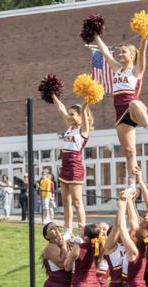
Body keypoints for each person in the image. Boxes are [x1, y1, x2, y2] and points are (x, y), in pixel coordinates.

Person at [94, 32, 148, 194]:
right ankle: (132, 184)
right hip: (120, 113)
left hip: (134, 109)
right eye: (120, 51)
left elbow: (143, 51)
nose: (120, 54)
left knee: (134, 102)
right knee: (130, 152)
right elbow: (105, 53)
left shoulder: (137, 70)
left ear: (132, 55)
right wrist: (95, 35)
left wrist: (145, 36)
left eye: (124, 52)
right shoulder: (117, 68)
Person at [52, 96, 93, 239]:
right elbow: (60, 108)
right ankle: (68, 230)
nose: (68, 116)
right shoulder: (69, 128)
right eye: (69, 114)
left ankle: (82, 231)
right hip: (64, 167)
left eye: (72, 114)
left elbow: (84, 111)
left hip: (75, 167)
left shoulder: (83, 131)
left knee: (77, 201)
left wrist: (86, 102)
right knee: (65, 201)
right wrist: (53, 95)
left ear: (80, 117)